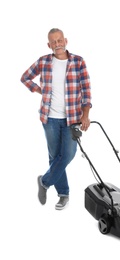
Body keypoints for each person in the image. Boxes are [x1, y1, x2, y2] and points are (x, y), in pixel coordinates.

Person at [20, 28, 92, 210]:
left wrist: (86, 115)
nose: (57, 44)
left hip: (72, 119)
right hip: (49, 119)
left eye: (59, 40)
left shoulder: (78, 61)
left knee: (67, 155)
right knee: (55, 157)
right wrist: (38, 90)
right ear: (49, 45)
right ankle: (63, 194)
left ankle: (44, 181)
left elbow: (86, 90)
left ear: (65, 40)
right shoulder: (43, 61)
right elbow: (25, 78)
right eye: (53, 42)